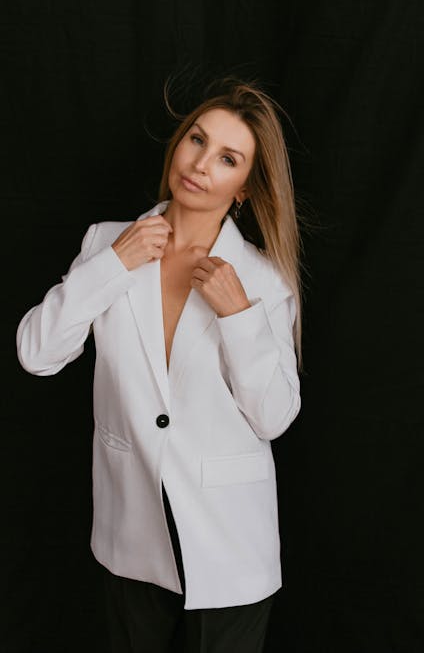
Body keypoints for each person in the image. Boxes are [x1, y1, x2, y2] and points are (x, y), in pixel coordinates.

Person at [16, 78, 302, 653]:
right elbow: (36, 354)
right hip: (132, 530)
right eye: (196, 139)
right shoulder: (105, 244)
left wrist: (239, 316)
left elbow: (274, 417)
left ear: (245, 188)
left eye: (227, 158)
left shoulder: (262, 281)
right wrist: (111, 269)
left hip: (229, 542)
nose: (200, 164)